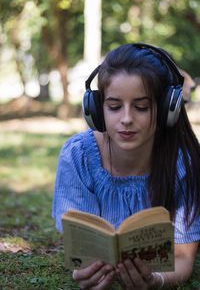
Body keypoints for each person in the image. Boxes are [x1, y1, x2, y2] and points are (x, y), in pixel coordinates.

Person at [52, 43, 200, 289]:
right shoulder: (78, 156)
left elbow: (183, 256)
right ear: (96, 110)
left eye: (141, 107)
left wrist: (157, 281)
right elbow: (80, 248)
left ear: (167, 110)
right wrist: (84, 271)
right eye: (114, 106)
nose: (127, 118)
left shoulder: (181, 165)